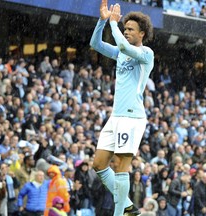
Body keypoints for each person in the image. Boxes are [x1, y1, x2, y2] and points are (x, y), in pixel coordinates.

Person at [90, 0, 154, 215]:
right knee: (99, 164)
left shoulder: (147, 54)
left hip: (132, 117)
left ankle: (120, 213)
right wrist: (102, 21)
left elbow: (125, 46)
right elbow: (95, 45)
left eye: (130, 29)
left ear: (142, 33)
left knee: (121, 166)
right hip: (115, 116)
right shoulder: (121, 53)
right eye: (125, 28)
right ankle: (126, 204)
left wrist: (114, 25)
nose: (126, 32)